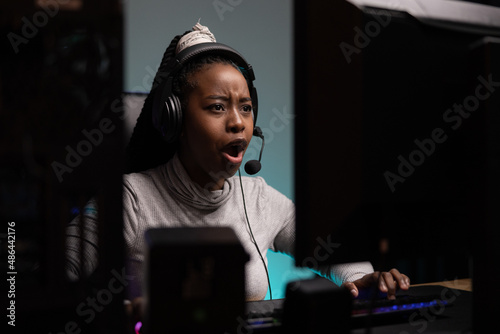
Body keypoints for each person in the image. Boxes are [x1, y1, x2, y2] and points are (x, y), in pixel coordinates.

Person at [66, 22, 410, 319]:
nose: (237, 123)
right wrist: (120, 313)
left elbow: (331, 250)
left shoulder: (258, 198)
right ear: (175, 120)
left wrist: (364, 277)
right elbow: (55, 281)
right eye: (217, 107)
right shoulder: (131, 198)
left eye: (245, 108)